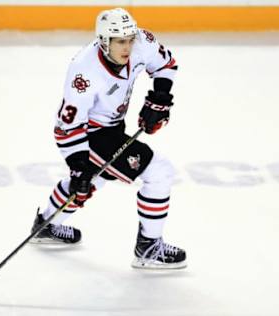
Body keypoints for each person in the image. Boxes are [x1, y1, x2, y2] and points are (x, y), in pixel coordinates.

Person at [30, 7, 186, 269]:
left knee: (95, 179)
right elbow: (67, 127)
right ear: (104, 42)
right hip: (89, 133)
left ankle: (46, 224)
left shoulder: (141, 42)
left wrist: (159, 99)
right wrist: (78, 164)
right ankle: (148, 247)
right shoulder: (84, 72)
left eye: (129, 40)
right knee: (159, 171)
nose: (128, 47)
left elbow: (166, 65)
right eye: (120, 42)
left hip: (114, 127)